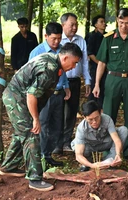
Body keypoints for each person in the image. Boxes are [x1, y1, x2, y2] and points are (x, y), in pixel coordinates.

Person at [0, 43, 83, 192]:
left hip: (19, 97)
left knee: (21, 134)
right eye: (74, 62)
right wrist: (36, 119)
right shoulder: (49, 68)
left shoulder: (53, 61)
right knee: (32, 133)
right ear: (65, 58)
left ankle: (8, 167)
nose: (74, 67)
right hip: (17, 98)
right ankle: (35, 179)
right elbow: (31, 95)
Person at [93, 8, 128, 161]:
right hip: (113, 79)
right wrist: (97, 83)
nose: (124, 26)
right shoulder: (109, 38)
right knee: (109, 115)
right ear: (117, 20)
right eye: (122, 22)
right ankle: (107, 149)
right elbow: (102, 63)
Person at [28, 22, 70, 167]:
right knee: (43, 126)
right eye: (54, 38)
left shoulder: (62, 51)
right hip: (43, 95)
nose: (57, 42)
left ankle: (48, 155)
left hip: (58, 93)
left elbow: (63, 70)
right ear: (46, 36)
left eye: (59, 38)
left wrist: (66, 86)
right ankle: (38, 158)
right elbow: (31, 76)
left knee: (56, 126)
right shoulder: (37, 52)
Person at [53, 13, 91, 154]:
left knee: (71, 112)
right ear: (63, 25)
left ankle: (66, 142)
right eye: (71, 25)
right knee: (58, 112)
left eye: (76, 24)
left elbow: (85, 62)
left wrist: (87, 81)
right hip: (59, 82)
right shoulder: (57, 40)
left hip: (74, 81)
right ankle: (56, 143)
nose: (74, 27)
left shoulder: (81, 41)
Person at [71, 100, 128, 171]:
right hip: (90, 146)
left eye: (97, 118)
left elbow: (116, 140)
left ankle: (111, 160)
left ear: (101, 112)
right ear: (84, 117)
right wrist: (91, 165)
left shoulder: (107, 119)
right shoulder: (81, 127)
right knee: (77, 145)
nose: (94, 122)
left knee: (123, 130)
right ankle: (87, 163)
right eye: (90, 120)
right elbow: (78, 155)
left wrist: (118, 154)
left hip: (105, 142)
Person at [86, 15, 107, 107]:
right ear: (95, 25)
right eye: (101, 22)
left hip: (107, 67)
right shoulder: (91, 36)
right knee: (95, 87)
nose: (104, 24)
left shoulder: (107, 36)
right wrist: (99, 63)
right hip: (95, 67)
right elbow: (90, 53)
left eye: (104, 22)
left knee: (104, 88)